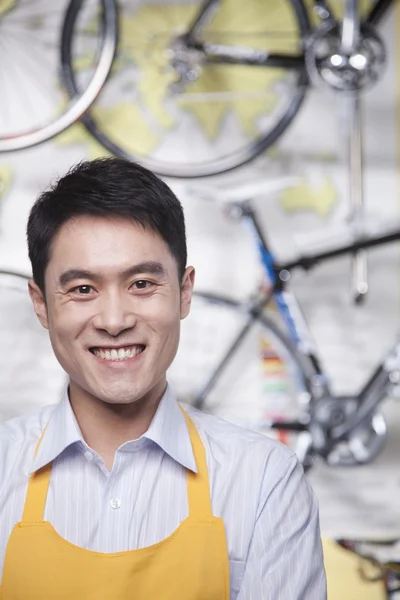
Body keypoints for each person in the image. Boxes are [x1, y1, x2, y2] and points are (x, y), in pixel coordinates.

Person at [0, 158, 326, 599]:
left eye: (141, 284)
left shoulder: (265, 479)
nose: (114, 321)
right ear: (41, 304)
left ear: (184, 292)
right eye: (82, 289)